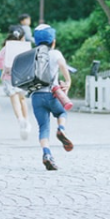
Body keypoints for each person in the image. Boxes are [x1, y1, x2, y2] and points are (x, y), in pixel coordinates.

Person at [28, 24, 73, 171]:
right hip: (52, 94)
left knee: (43, 127)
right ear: (53, 41)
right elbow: (63, 66)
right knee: (61, 112)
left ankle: (47, 154)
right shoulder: (55, 53)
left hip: (36, 96)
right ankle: (61, 128)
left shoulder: (32, 54)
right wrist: (68, 81)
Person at [0, 25, 31, 139]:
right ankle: (27, 121)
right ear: (22, 37)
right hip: (23, 77)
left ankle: (20, 120)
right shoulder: (26, 48)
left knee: (14, 100)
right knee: (22, 99)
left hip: (9, 78)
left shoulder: (6, 48)